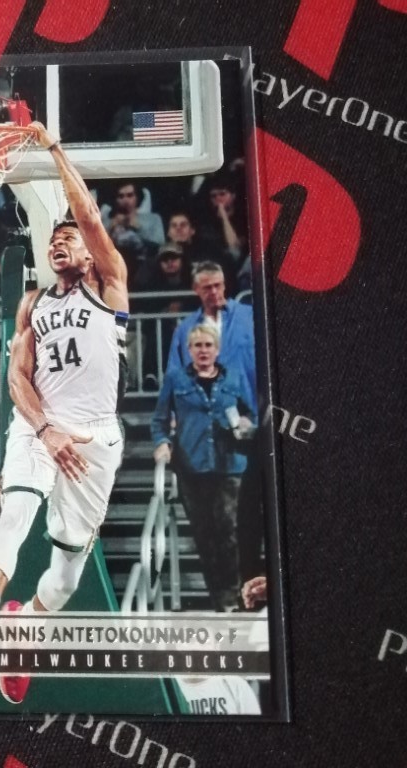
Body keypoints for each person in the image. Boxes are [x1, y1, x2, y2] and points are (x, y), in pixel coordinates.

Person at [0, 121, 128, 705]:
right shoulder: (32, 302)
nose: (59, 243)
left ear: (88, 251)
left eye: (68, 238)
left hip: (94, 440)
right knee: (15, 512)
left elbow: (89, 218)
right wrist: (44, 427)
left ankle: (24, 626)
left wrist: (52, 147)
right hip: (39, 426)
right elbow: (17, 377)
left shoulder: (108, 288)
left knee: (65, 576)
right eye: (53, 240)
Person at [151, 325, 255, 611]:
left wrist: (246, 425)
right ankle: (219, 599)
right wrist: (162, 443)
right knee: (204, 534)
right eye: (197, 345)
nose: (203, 350)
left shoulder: (234, 376)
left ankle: (233, 596)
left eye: (208, 345)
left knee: (228, 530)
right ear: (189, 350)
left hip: (229, 464)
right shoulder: (175, 379)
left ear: (217, 349)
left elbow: (251, 413)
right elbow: (159, 420)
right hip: (191, 467)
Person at [166, 261, 256, 411]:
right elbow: (174, 374)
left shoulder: (250, 316)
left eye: (217, 285)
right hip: (205, 412)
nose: (214, 291)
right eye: (207, 288)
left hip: (251, 407)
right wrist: (173, 414)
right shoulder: (185, 329)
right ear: (196, 289)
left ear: (224, 285)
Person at [100, 181, 164, 284]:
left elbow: (159, 243)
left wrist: (138, 228)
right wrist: (111, 228)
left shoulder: (152, 218)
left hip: (144, 266)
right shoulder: (107, 221)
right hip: (114, 266)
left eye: (130, 195)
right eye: (121, 196)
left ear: (137, 197)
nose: (125, 200)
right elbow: (97, 245)